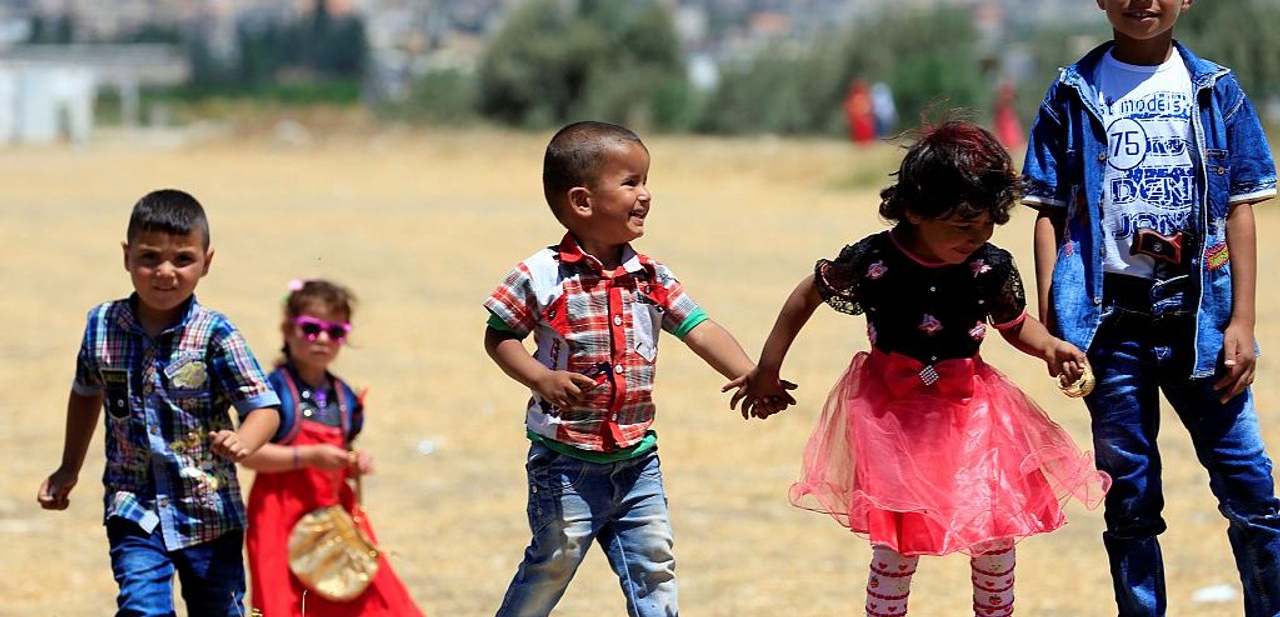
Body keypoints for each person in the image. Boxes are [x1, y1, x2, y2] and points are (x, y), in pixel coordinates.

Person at [732, 121, 1109, 617]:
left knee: (995, 533)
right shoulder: (874, 260)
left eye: (986, 224)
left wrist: (1051, 348)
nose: (975, 237)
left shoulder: (989, 266)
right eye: (961, 225)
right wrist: (768, 367)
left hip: (973, 414)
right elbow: (808, 294)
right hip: (891, 419)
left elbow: (1014, 324)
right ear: (914, 209)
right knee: (896, 542)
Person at [1021, 0, 1280, 615]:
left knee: (1252, 491)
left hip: (1201, 323)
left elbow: (1241, 207)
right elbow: (1048, 211)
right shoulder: (1072, 94)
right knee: (1130, 501)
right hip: (1111, 327)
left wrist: (1242, 322)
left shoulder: (1215, 91)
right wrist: (1054, 319)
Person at [483, 120, 757, 617]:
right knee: (552, 562)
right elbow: (499, 335)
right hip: (565, 462)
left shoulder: (651, 276)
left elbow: (699, 328)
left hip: (637, 461)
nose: (646, 194)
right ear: (582, 201)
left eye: (646, 181)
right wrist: (541, 378)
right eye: (631, 183)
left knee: (654, 567)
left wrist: (750, 374)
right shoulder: (540, 275)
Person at [36, 188, 281, 616]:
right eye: (150, 257)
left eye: (183, 259)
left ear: (206, 262)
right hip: (133, 506)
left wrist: (245, 440)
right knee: (142, 609)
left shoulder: (215, 334)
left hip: (208, 513)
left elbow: (263, 406)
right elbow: (86, 392)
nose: (165, 272)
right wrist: (68, 467)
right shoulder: (102, 325)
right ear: (127, 256)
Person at [242, 278, 424, 616]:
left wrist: (353, 462)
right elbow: (249, 455)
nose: (323, 340)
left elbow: (343, 449)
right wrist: (307, 456)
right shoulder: (272, 393)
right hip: (278, 515)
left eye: (336, 332)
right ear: (288, 330)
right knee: (282, 601)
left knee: (373, 596)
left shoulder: (345, 397)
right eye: (311, 329)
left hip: (333, 511)